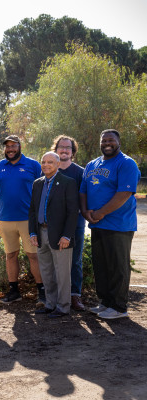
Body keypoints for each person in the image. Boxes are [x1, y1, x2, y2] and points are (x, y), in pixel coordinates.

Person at [80, 129, 141, 319]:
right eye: (104, 140)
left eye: (111, 140)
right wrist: (85, 212)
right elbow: (83, 191)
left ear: (118, 142)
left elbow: (123, 194)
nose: (107, 143)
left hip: (119, 224)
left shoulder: (126, 163)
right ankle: (105, 302)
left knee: (117, 266)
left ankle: (119, 307)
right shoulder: (92, 164)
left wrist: (100, 213)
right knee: (101, 266)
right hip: (97, 224)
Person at [0, 135, 44, 305]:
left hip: (28, 219)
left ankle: (42, 291)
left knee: (33, 255)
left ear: (20, 146)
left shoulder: (33, 165)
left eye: (14, 146)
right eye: (7, 146)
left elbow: (43, 188)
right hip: (6, 219)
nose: (10, 149)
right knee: (10, 255)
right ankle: (14, 291)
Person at [29, 152, 79, 318]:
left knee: (62, 273)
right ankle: (50, 304)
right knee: (47, 272)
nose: (46, 165)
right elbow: (33, 210)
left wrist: (67, 235)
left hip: (60, 236)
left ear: (58, 164)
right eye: (43, 162)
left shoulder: (68, 183)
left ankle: (63, 307)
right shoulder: (37, 183)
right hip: (41, 233)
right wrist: (32, 231)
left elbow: (73, 212)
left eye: (50, 162)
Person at [52, 135, 86, 311]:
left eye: (68, 148)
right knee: (54, 260)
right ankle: (57, 296)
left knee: (75, 260)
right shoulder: (49, 169)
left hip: (76, 225)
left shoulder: (80, 172)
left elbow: (84, 199)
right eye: (61, 147)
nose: (64, 150)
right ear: (55, 149)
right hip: (52, 225)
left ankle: (75, 295)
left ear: (73, 152)